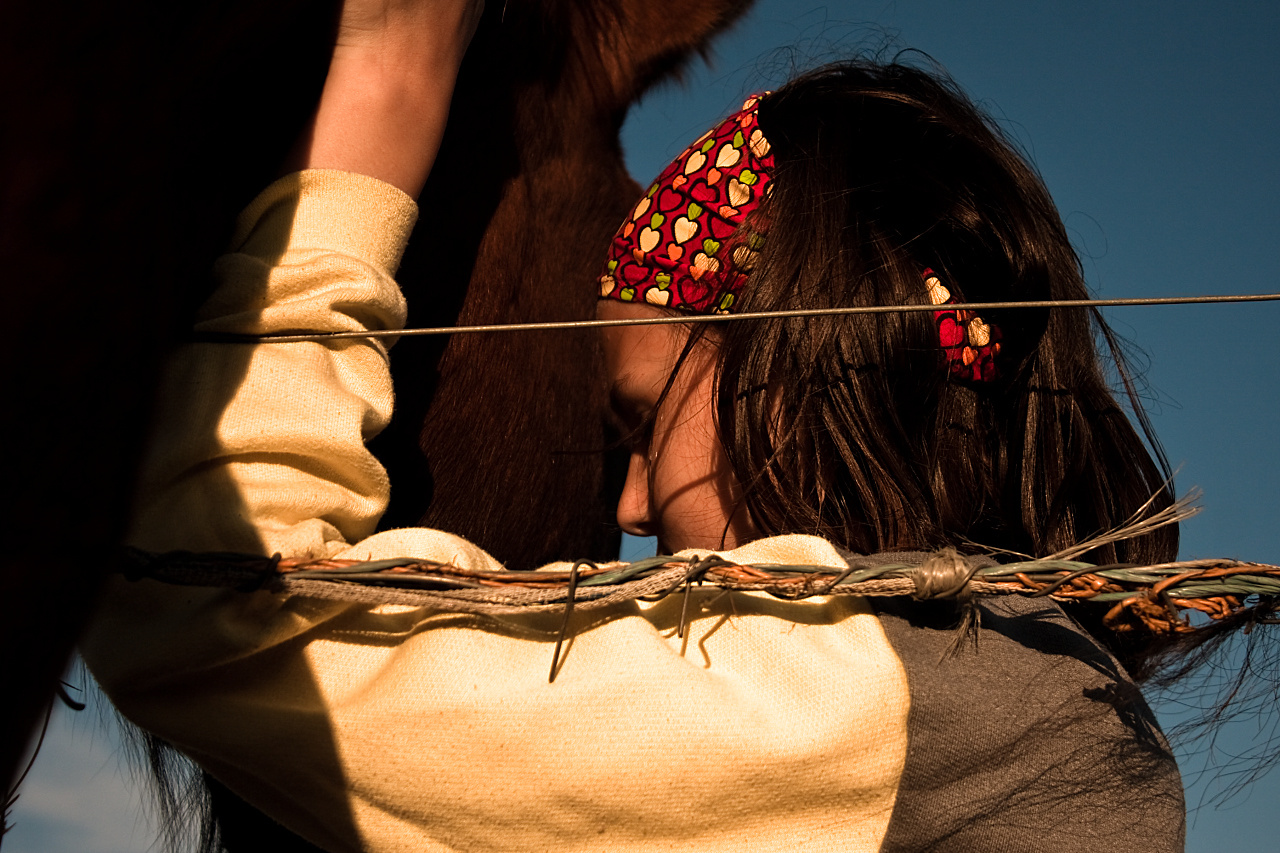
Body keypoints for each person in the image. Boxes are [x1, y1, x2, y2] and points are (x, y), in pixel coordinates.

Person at [81, 1, 1187, 851]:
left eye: (649, 419)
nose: (627, 505)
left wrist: (383, 85)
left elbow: (212, 615)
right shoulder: (1039, 696)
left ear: (820, 354)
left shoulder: (926, 698)